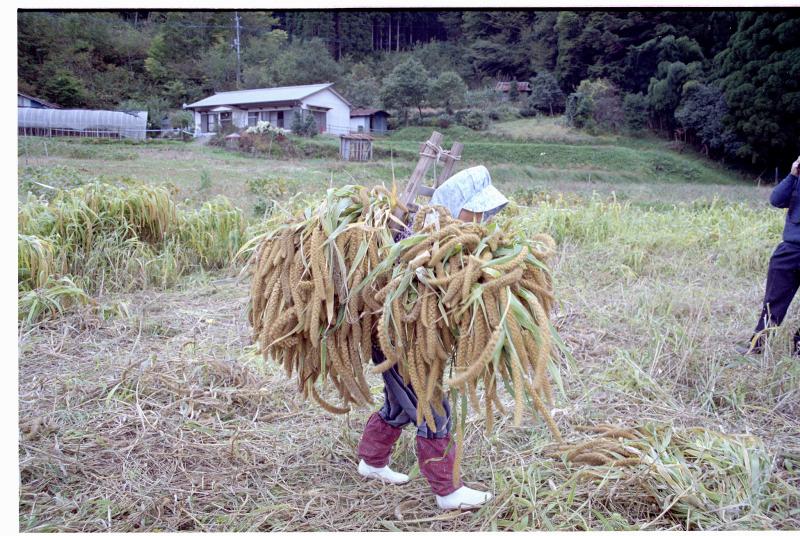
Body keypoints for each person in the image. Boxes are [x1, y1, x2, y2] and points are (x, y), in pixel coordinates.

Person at [356, 166, 509, 510]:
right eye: (478, 209)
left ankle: (372, 461)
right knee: (431, 408)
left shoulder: (454, 238)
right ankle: (447, 491)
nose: (483, 217)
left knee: (398, 405)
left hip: (413, 342)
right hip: (398, 343)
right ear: (457, 205)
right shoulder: (420, 240)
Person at [739, 156, 800, 355]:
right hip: (790, 250)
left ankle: (798, 350)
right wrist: (792, 175)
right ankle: (757, 345)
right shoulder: (797, 177)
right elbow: (776, 200)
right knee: (773, 302)